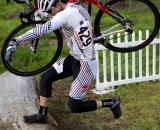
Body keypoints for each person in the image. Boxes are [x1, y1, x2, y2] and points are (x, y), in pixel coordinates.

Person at [6, 0, 121, 123]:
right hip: (74, 58)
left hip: (86, 65)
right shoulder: (75, 6)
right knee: (46, 77)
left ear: (57, 4)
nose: (50, 14)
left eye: (50, 11)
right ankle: (42, 114)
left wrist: (16, 41)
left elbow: (42, 30)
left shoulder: (65, 15)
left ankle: (111, 102)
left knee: (74, 106)